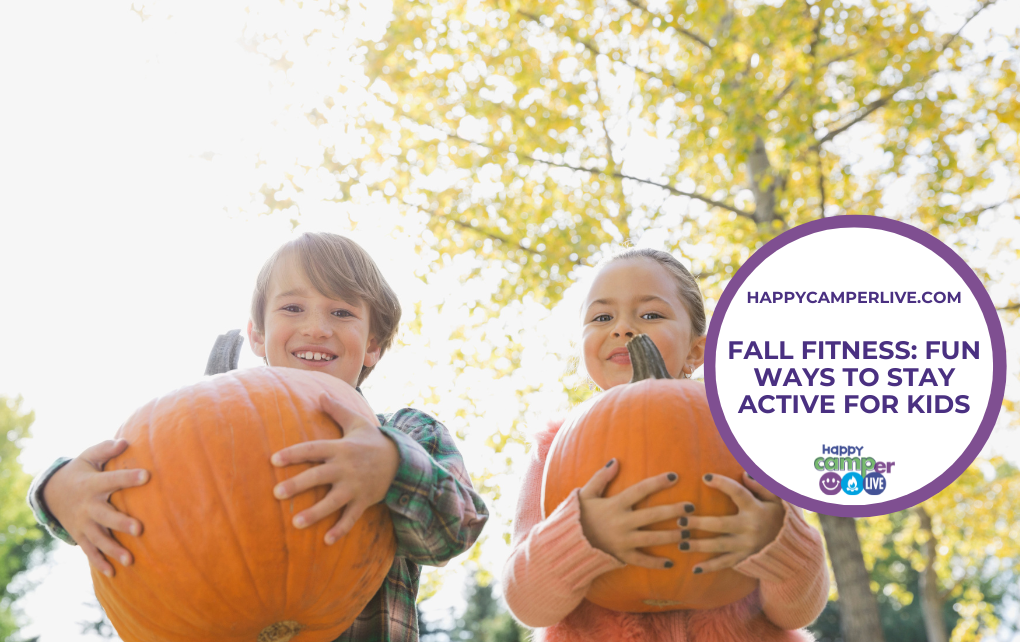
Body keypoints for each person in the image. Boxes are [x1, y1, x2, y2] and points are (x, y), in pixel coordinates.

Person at [27, 232, 489, 642]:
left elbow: (456, 530)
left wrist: (392, 467)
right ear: (257, 333)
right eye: (293, 307)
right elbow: (131, 505)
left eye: (342, 311)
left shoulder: (403, 433)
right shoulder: (201, 433)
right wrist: (55, 491)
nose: (316, 327)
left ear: (373, 344)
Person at [502, 248, 828, 641]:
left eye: (650, 314)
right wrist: (581, 537)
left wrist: (778, 542)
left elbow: (798, 608)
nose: (623, 328)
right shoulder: (555, 448)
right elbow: (528, 605)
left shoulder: (742, 437)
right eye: (602, 317)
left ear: (696, 350)